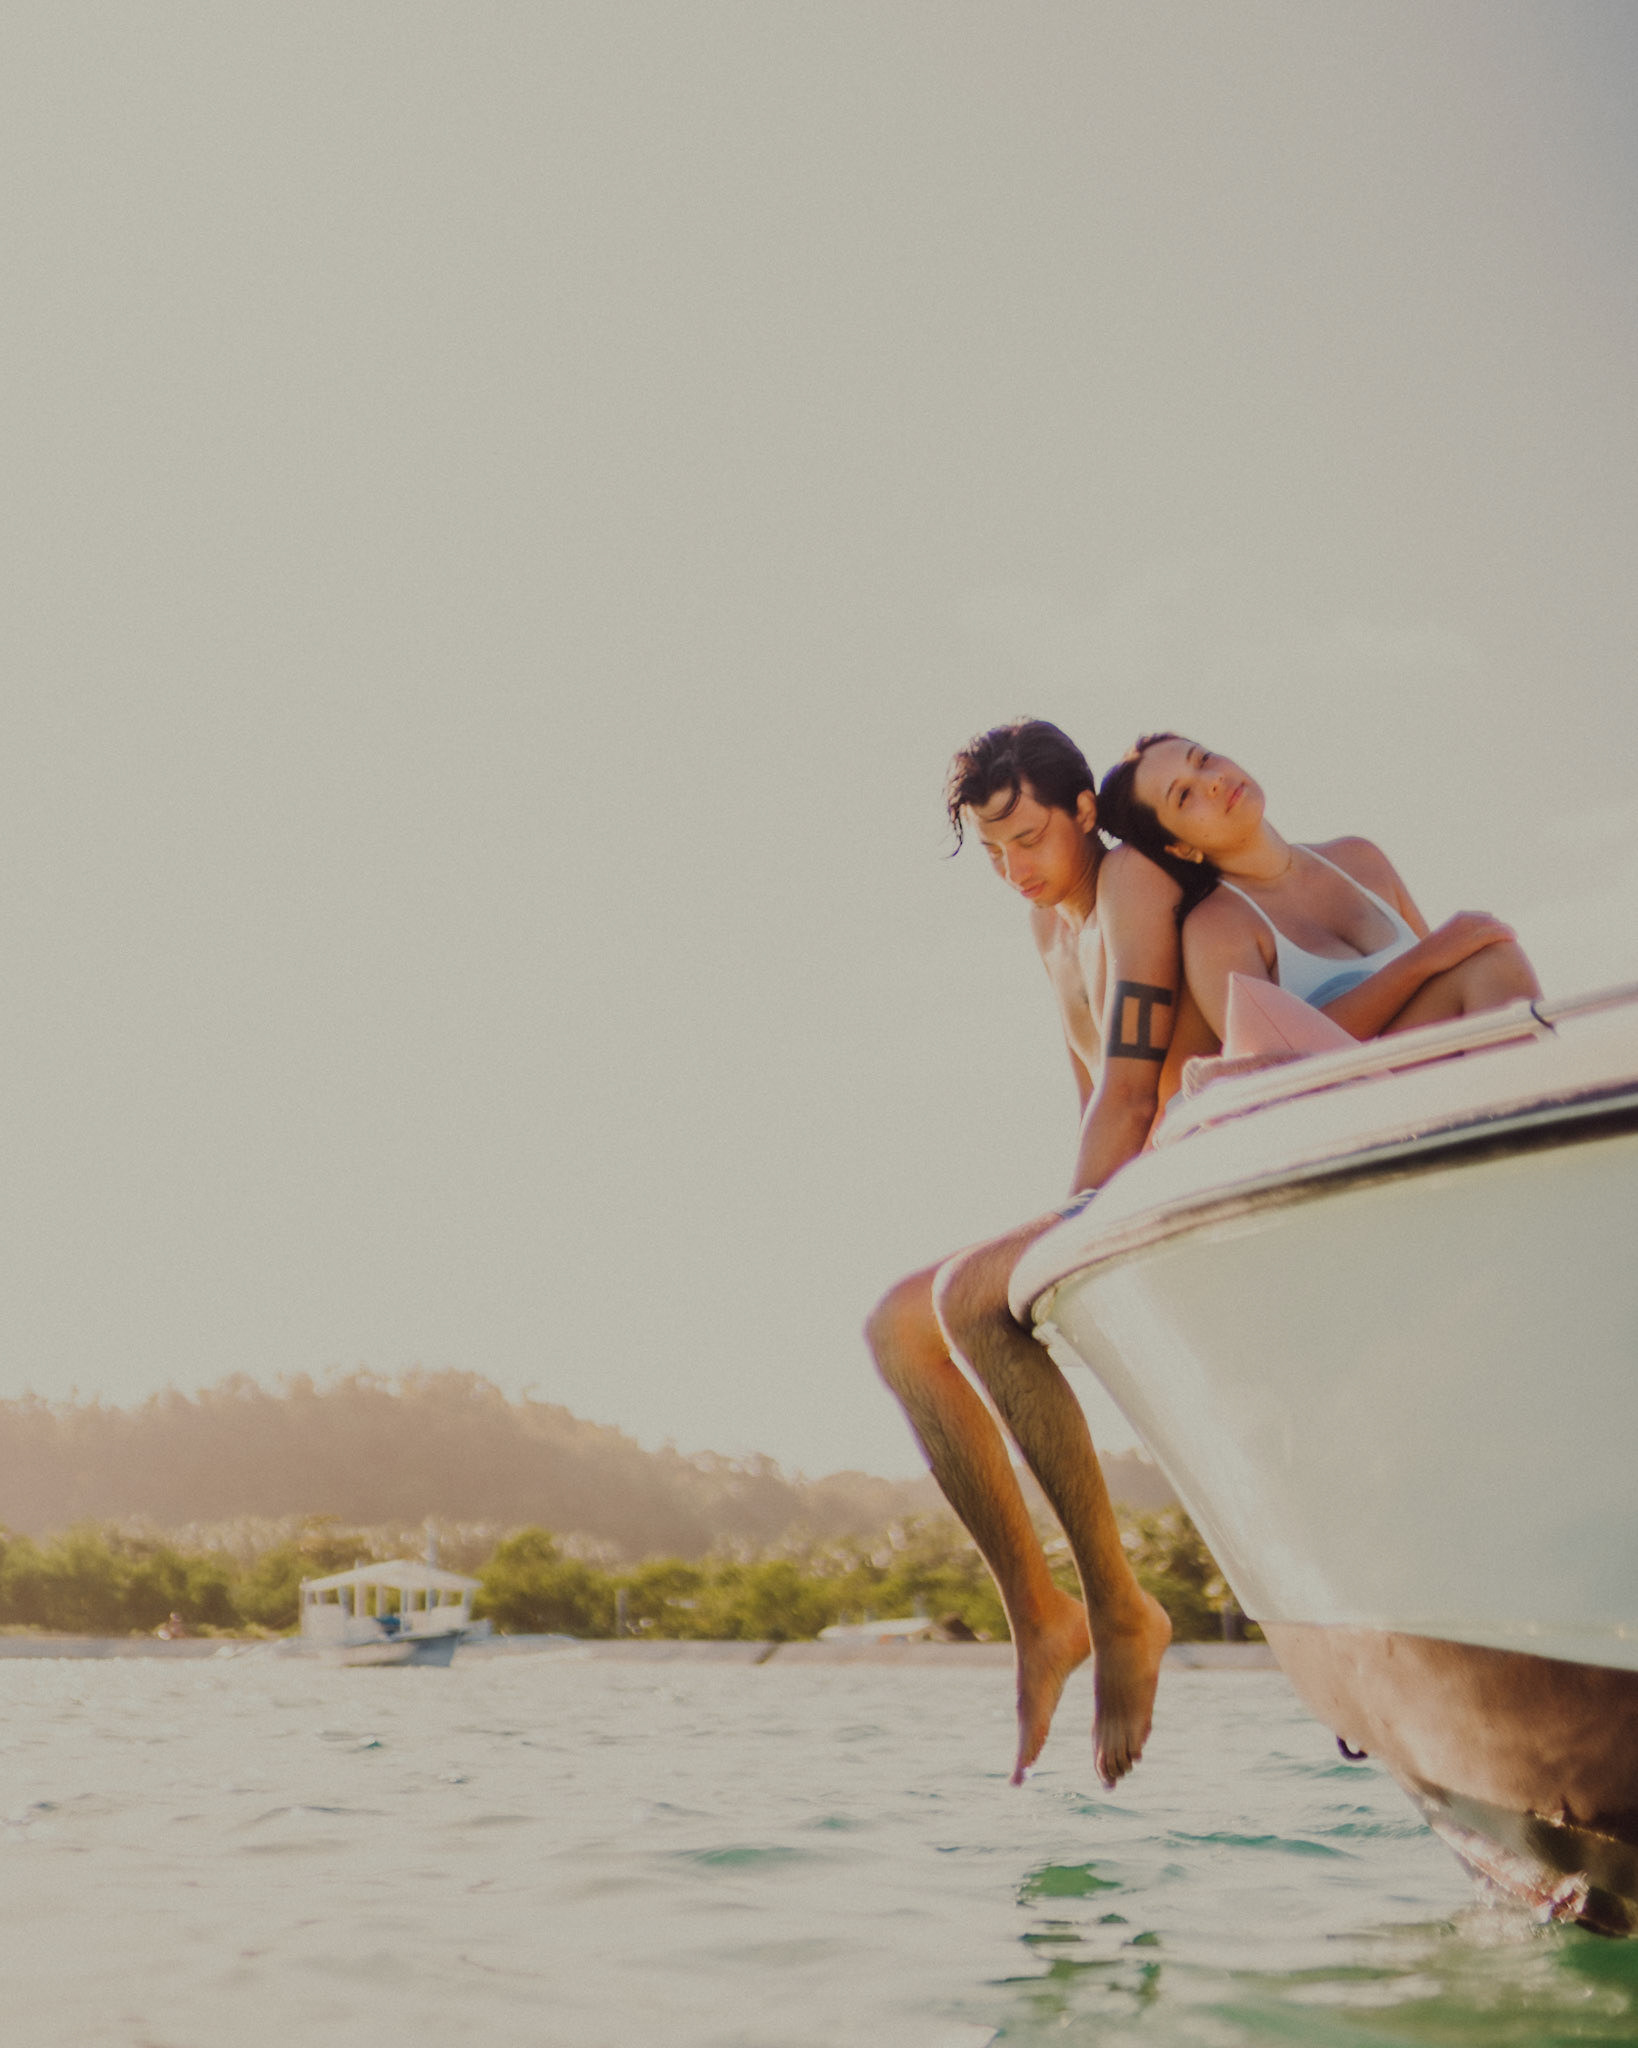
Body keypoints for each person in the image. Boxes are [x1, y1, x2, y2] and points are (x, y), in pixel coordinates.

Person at [866, 721, 1215, 1789]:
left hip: (1190, 1173)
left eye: (1029, 838)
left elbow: (1129, 1085)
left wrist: (1064, 1233)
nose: (1016, 869)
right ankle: (1042, 1615)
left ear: (1083, 813)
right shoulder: (1049, 930)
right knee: (897, 1325)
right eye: (994, 852)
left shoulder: (1132, 890)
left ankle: (1120, 1604)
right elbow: (1084, 1091)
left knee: (977, 1298)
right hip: (1127, 1184)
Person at [1094, 734, 1541, 1040]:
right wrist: (1423, 960)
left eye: (1204, 758)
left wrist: (1440, 956)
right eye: (1184, 796)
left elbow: (1449, 977)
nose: (1211, 780)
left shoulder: (1361, 860)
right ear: (1180, 848)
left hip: (1441, 1071)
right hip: (1353, 1113)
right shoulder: (1216, 928)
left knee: (1489, 958)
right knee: (1491, 961)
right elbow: (1276, 1059)